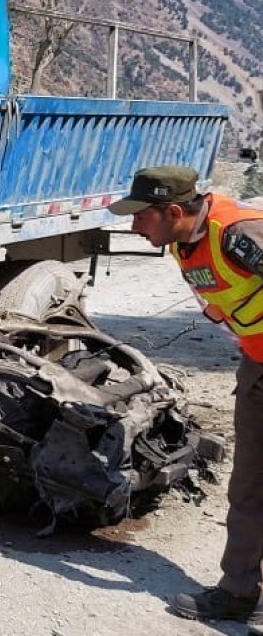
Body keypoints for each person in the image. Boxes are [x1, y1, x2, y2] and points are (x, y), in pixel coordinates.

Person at [108, 166, 263, 629]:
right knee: (250, 485)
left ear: (173, 211)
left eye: (141, 217)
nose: (134, 226)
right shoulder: (180, 241)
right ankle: (239, 593)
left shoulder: (239, 234)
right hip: (257, 365)